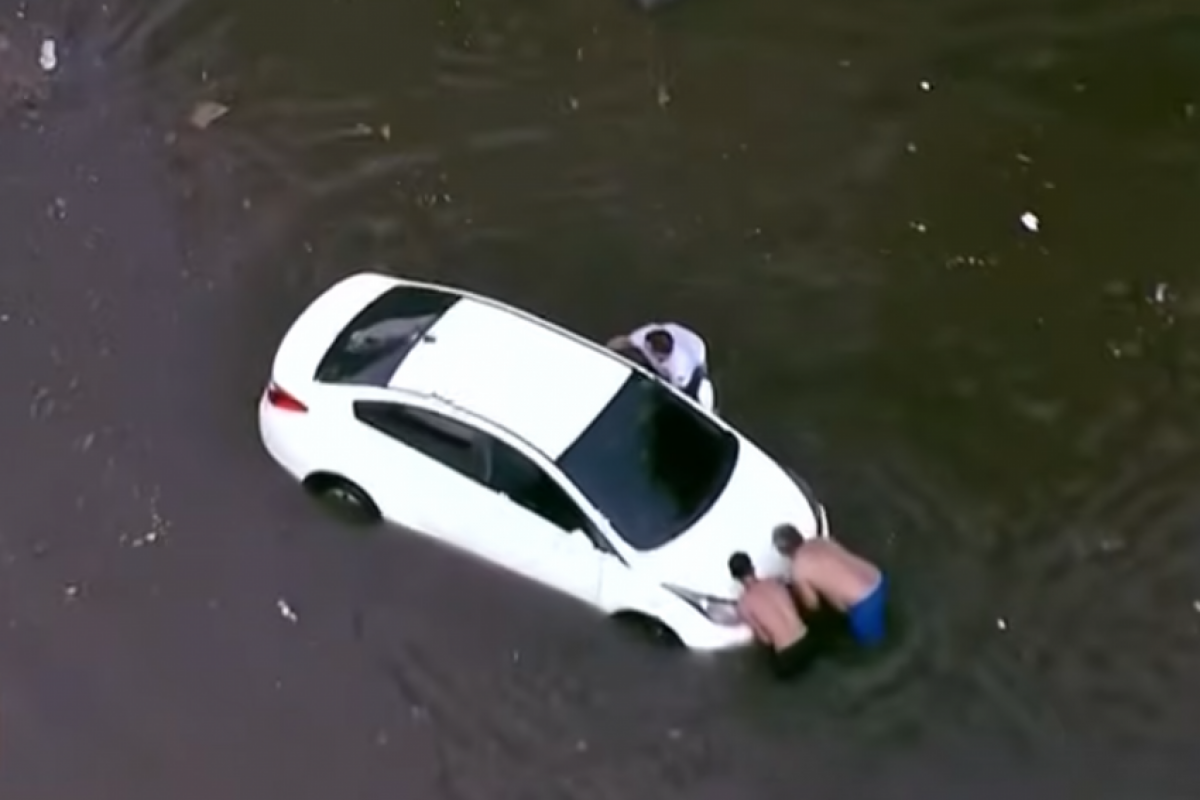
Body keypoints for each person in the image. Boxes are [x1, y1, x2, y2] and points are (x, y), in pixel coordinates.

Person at [772, 524, 888, 647]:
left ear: (782, 552)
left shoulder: (798, 569)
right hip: (877, 577)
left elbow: (812, 604)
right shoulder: (822, 541)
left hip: (864, 601)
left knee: (873, 644)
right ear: (799, 535)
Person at [728, 551, 821, 678]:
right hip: (809, 641)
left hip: (789, 657)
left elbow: (764, 638)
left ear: (735, 578)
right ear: (752, 567)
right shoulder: (776, 582)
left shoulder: (744, 605)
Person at [606, 322, 717, 412]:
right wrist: (607, 351)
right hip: (678, 337)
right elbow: (622, 341)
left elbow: (674, 392)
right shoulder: (644, 336)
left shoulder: (678, 370)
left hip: (693, 364)